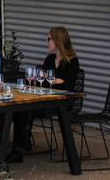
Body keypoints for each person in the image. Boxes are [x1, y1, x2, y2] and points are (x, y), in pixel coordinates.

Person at [8, 27, 81, 162]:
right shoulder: (50, 59)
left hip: (61, 103)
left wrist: (49, 81)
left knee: (25, 111)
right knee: (20, 110)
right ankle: (22, 145)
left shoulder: (72, 62)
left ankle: (18, 151)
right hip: (44, 99)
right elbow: (42, 81)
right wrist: (47, 80)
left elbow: (67, 87)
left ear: (58, 41)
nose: (47, 42)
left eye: (49, 39)